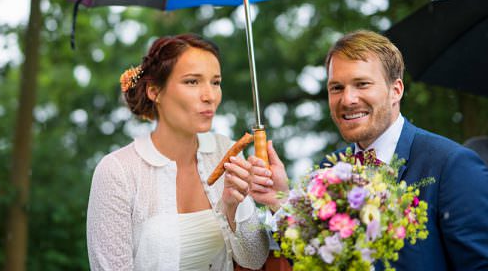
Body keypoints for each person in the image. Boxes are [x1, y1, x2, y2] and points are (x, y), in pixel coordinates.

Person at [249, 30, 488, 270]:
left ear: (396, 90)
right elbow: (309, 262)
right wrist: (279, 201)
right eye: (336, 88)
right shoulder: (326, 170)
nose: (348, 99)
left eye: (362, 84)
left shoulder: (452, 165)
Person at [87, 34, 269, 271]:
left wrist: (233, 210)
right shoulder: (117, 171)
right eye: (192, 82)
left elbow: (255, 258)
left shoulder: (226, 151)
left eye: (215, 82)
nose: (210, 96)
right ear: (155, 91)